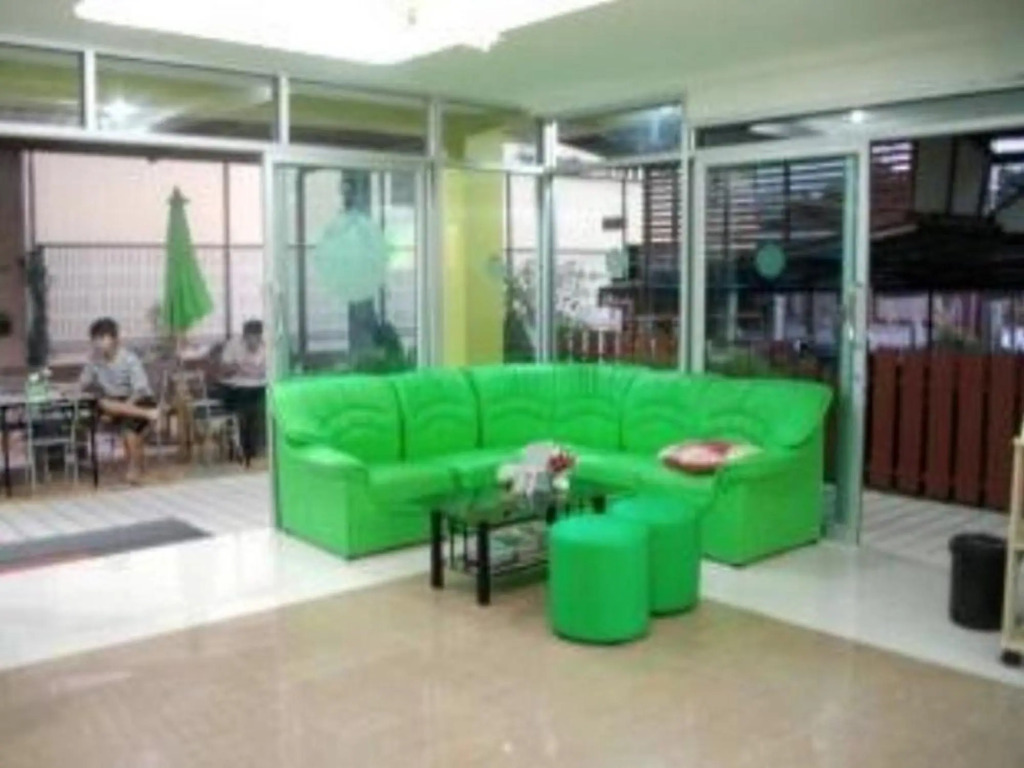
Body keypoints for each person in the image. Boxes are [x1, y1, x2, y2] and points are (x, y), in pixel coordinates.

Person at [77, 317, 159, 485]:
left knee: (129, 427)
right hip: (115, 403)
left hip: (138, 399)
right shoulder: (95, 361)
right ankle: (148, 414)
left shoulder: (129, 359)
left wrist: (124, 408)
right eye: (96, 339)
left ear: (114, 338)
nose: (99, 343)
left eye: (103, 338)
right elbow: (82, 383)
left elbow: (140, 388)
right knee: (102, 403)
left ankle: (134, 470)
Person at [218, 319, 267, 465]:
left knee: (261, 405)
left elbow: (269, 367)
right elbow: (223, 368)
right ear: (244, 337)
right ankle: (246, 448)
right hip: (235, 389)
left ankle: (257, 447)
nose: (254, 343)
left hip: (259, 387)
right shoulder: (233, 345)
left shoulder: (267, 345)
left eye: (257, 338)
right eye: (250, 338)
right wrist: (237, 367)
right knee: (245, 409)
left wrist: (260, 370)